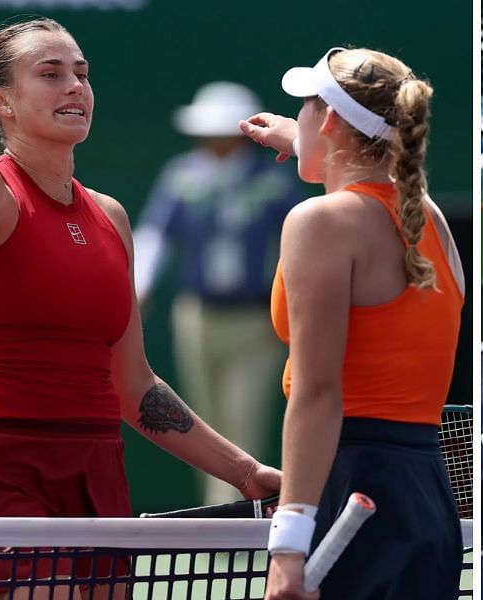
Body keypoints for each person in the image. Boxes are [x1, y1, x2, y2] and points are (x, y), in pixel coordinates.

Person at [0, 17, 281, 595]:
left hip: (96, 483)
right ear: (0, 102)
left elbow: (134, 386)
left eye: (81, 74)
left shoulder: (110, 218)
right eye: (51, 74)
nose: (75, 86)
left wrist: (246, 472)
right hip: (1, 479)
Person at [237, 47, 465, 599]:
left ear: (332, 121)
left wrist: (288, 547)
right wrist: (302, 141)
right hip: (426, 501)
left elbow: (317, 393)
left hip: (349, 500)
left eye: (309, 108)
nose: (303, 119)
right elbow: (369, 174)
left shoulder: (320, 222)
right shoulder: (427, 216)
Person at [133, 81, 306, 506]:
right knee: (201, 421)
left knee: (242, 417)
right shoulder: (182, 175)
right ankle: (216, 514)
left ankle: (229, 519)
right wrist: (139, 286)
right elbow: (155, 233)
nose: (215, 143)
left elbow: (298, 245)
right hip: (197, 314)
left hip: (256, 319)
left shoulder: (273, 181)